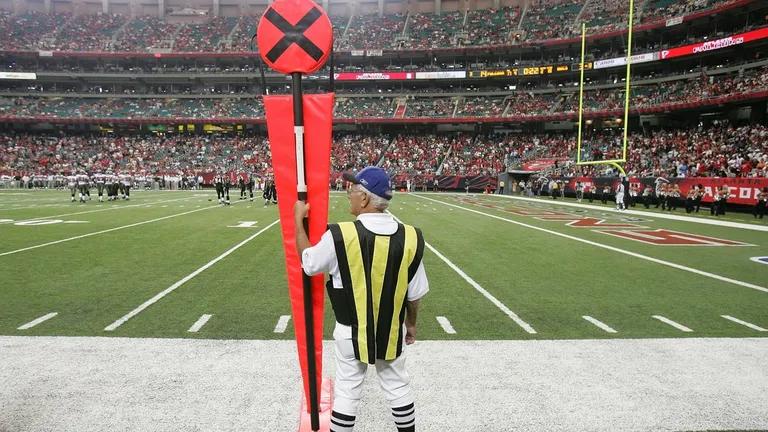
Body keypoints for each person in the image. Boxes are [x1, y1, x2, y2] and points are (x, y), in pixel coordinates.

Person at [294, 166, 427, 432]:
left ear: (365, 199)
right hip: (391, 329)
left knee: (347, 391)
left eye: (352, 190)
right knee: (398, 386)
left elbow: (308, 263)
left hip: (350, 331)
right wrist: (411, 325)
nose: (349, 195)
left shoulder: (340, 235)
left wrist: (298, 221)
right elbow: (415, 294)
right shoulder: (411, 236)